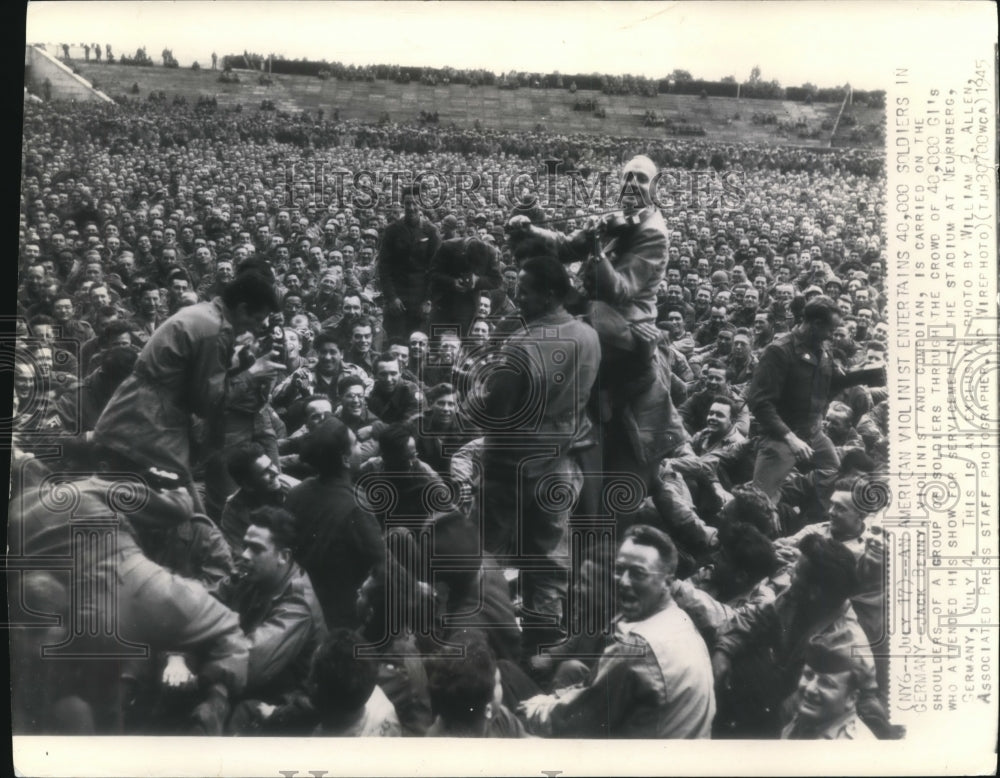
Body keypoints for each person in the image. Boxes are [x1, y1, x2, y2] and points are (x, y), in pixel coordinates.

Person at [480, 256, 600, 636]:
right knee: (549, 559)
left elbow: (495, 410)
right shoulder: (588, 335)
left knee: (484, 554)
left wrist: (473, 392)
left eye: (525, 294)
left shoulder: (522, 344)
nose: (519, 302)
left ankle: (483, 634)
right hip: (563, 464)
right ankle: (544, 640)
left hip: (512, 466)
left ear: (549, 295)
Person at [92, 272, 283, 508]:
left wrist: (239, 366)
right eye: (258, 318)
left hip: (135, 417)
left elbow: (191, 378)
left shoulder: (205, 312)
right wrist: (253, 375)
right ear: (242, 309)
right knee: (182, 510)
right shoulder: (215, 331)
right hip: (150, 426)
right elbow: (208, 402)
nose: (261, 326)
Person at [518, 526, 715, 738]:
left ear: (667, 582)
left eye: (638, 574)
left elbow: (572, 718)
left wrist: (525, 711)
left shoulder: (637, 645)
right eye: (620, 570)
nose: (624, 581)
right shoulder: (679, 621)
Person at [747, 295, 885, 512]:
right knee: (757, 503)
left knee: (834, 473)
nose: (833, 336)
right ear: (815, 324)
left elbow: (831, 382)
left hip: (812, 432)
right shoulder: (779, 351)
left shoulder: (822, 348)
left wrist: (868, 375)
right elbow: (759, 402)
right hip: (780, 436)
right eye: (830, 330)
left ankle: (797, 507)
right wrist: (790, 439)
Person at [214, 507, 326, 731]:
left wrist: (199, 639)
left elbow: (249, 665)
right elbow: (202, 603)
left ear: (283, 556)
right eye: (245, 545)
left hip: (283, 703)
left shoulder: (297, 604)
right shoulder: (252, 575)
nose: (244, 555)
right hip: (249, 677)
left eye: (256, 549)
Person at [780, 634, 877, 740]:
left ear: (851, 698)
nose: (810, 688)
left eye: (826, 683)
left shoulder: (855, 746)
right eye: (808, 675)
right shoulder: (801, 721)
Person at [377, 185, 440, 340]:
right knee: (395, 341)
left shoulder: (431, 231)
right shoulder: (392, 230)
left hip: (421, 298)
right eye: (407, 203)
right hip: (398, 297)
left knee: (418, 342)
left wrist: (429, 300)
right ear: (402, 204)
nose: (411, 208)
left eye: (415, 203)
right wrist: (391, 297)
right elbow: (384, 266)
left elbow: (437, 268)